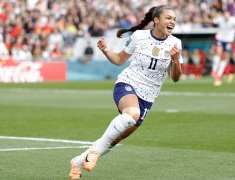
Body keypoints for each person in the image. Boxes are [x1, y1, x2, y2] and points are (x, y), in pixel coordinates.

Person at [69, 5, 182, 179]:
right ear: (156, 20)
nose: (172, 22)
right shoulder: (139, 36)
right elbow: (120, 60)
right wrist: (106, 50)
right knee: (132, 114)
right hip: (128, 83)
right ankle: (94, 154)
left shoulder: (175, 43)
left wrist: (175, 61)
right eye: (168, 18)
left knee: (116, 139)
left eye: (174, 19)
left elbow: (175, 78)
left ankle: (77, 162)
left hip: (149, 96)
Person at [211, 10, 235, 86]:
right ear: (223, 15)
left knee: (225, 58)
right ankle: (214, 71)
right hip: (220, 39)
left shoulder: (233, 20)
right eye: (225, 15)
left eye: (227, 15)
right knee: (218, 54)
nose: (226, 16)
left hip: (228, 40)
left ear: (229, 15)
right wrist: (213, 15)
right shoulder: (220, 19)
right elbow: (213, 21)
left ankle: (219, 75)